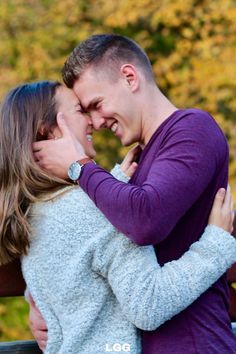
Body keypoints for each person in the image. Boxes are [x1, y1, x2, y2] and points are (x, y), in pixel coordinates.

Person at [33, 34, 236, 353]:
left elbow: (145, 220)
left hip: (193, 344)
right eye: (87, 112)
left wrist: (79, 167)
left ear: (129, 77)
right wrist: (38, 297)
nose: (96, 122)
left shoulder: (191, 130)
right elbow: (85, 241)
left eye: (97, 105)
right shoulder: (138, 161)